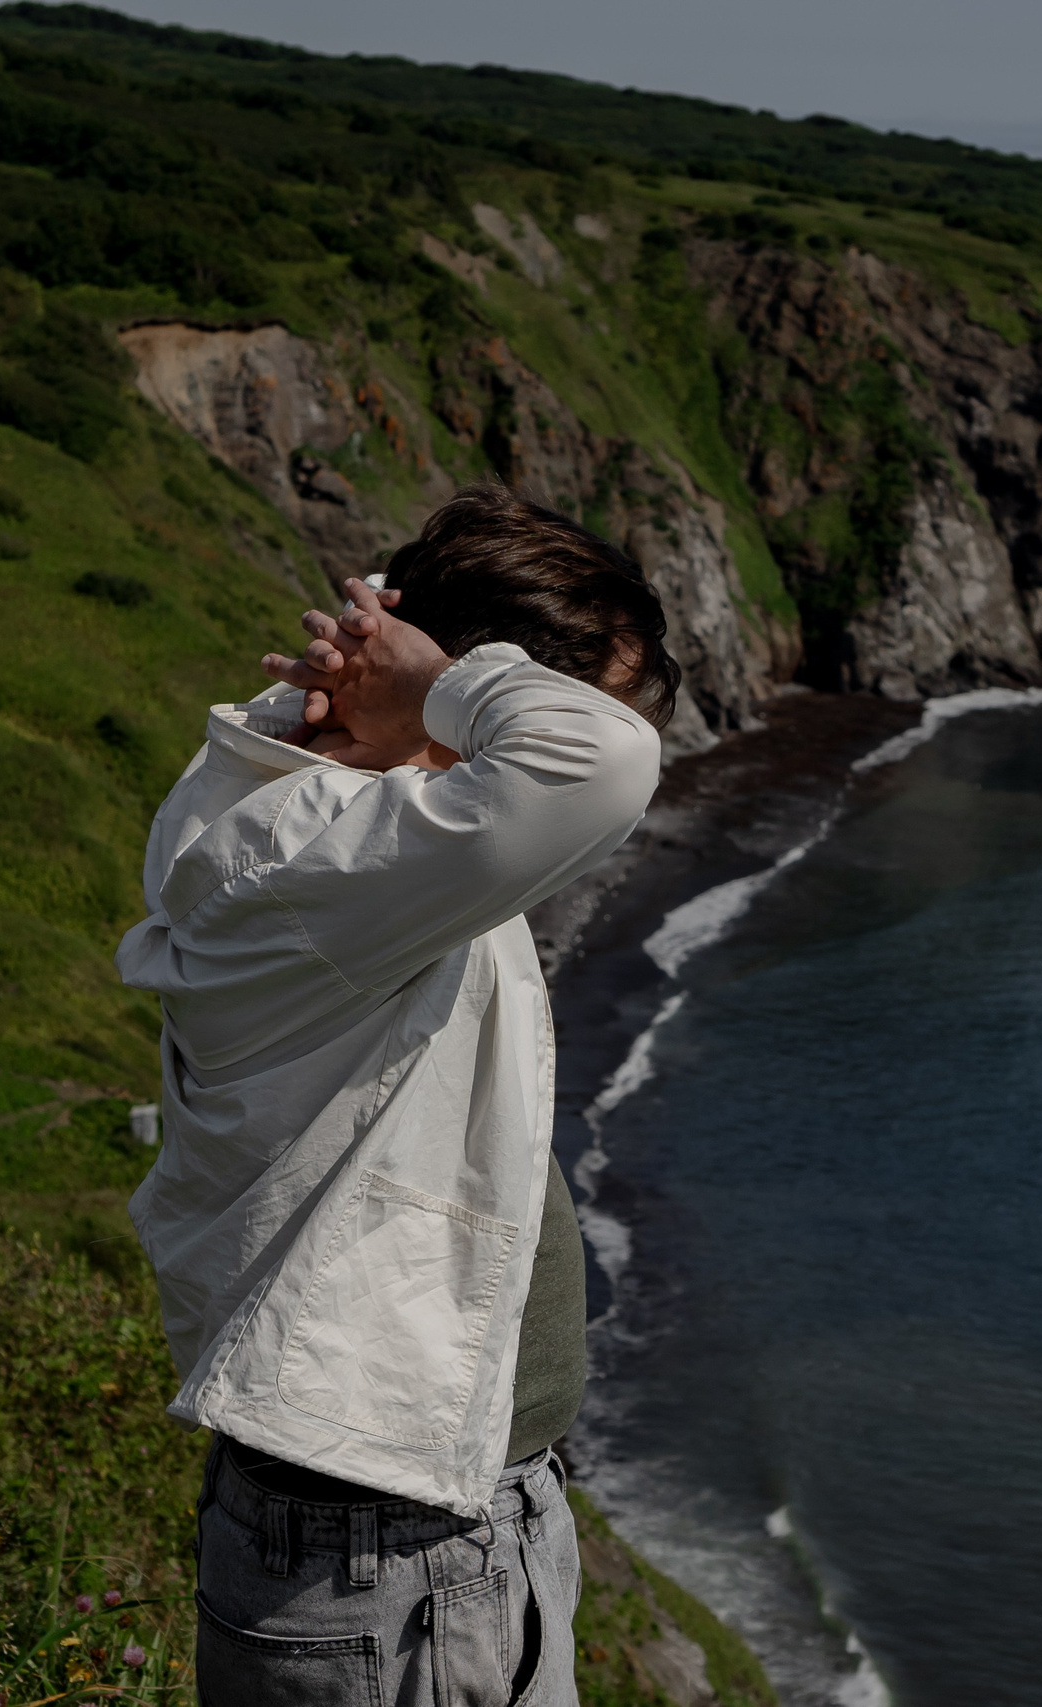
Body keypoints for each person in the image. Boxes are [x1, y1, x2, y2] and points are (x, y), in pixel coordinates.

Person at [115, 484, 679, 1706]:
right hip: (394, 1560)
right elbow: (601, 764)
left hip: (429, 1527)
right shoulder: (317, 858)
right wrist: (433, 681)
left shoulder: (358, 830)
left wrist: (396, 655)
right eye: (540, 701)